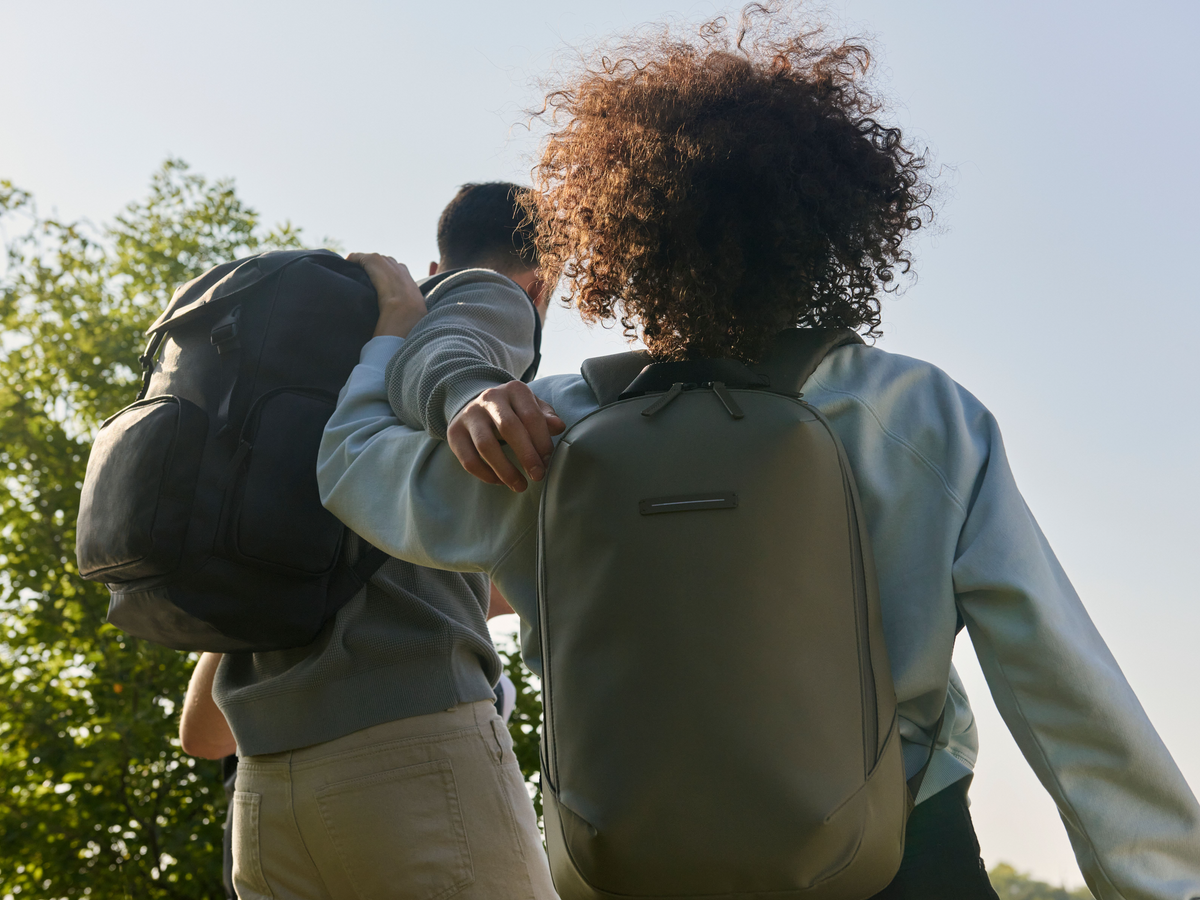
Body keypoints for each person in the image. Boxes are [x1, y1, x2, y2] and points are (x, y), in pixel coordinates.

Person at [318, 7, 1200, 900]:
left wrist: (396, 337)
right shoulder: (917, 414)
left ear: (625, 236)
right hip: (894, 857)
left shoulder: (551, 428)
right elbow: (1061, 688)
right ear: (829, 231)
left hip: (631, 864)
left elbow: (353, 469)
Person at [187, 181, 559, 900]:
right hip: (411, 752)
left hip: (268, 782)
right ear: (540, 279)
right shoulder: (488, 298)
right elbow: (455, 361)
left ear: (435, 256)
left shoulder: (333, 340)